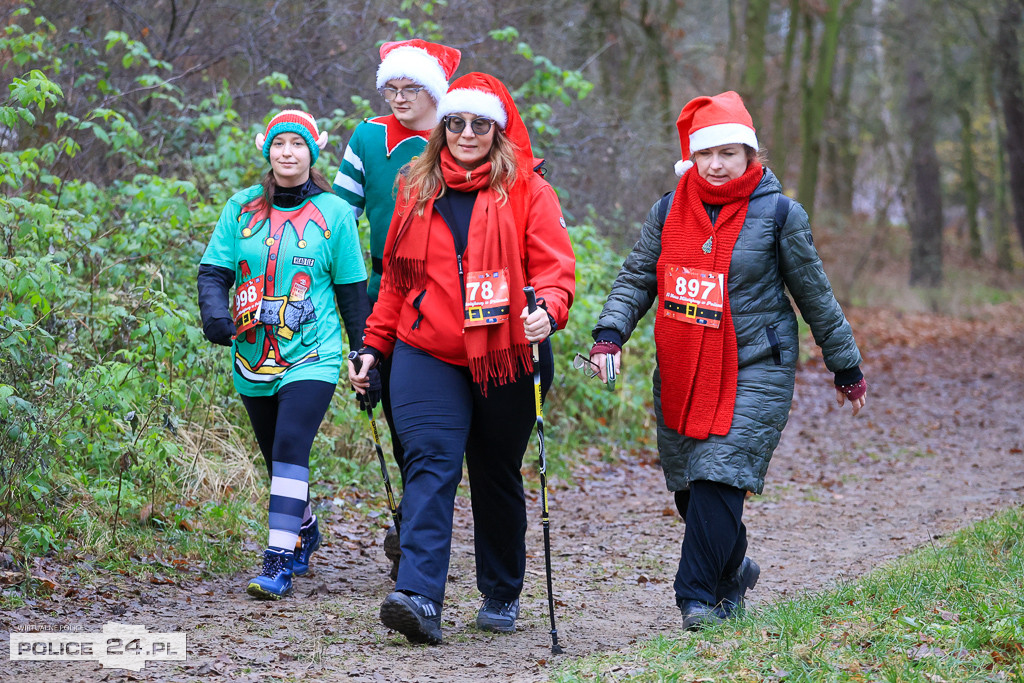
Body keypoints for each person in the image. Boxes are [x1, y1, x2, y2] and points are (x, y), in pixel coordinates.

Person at [589, 91, 867, 630]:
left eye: (728, 154)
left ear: (749, 155)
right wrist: (609, 334)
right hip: (682, 362)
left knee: (719, 476)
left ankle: (695, 597)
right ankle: (734, 570)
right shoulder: (668, 209)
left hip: (756, 364)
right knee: (691, 489)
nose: (716, 165)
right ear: (691, 158)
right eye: (705, 154)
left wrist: (846, 366)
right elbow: (636, 277)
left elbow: (815, 294)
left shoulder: (780, 213)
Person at [349, 72, 576, 645]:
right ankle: (419, 596)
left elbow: (554, 270)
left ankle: (501, 591)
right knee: (429, 463)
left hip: (506, 351)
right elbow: (397, 281)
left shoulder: (527, 189)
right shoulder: (416, 186)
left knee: (494, 470)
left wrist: (547, 311)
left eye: (479, 123)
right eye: (456, 122)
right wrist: (375, 346)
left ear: (497, 130)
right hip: (428, 350)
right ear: (443, 127)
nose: (466, 133)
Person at [198, 110, 372, 599]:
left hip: (312, 355)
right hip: (252, 355)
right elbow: (213, 271)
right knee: (277, 460)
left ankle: (277, 561)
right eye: (279, 144)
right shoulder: (241, 208)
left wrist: (364, 351)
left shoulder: (335, 213)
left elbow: (352, 293)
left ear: (311, 152)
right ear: (267, 150)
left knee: (290, 446)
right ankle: (305, 525)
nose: (287, 153)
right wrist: (215, 314)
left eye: (297, 144)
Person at [333, 39, 461, 579]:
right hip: (386, 289)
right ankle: (413, 524)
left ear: (435, 90)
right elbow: (340, 216)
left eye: (411, 88)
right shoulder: (368, 136)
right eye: (392, 87)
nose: (400, 97)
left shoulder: (458, 132)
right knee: (398, 410)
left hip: (451, 294)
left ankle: (414, 529)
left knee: (434, 428)